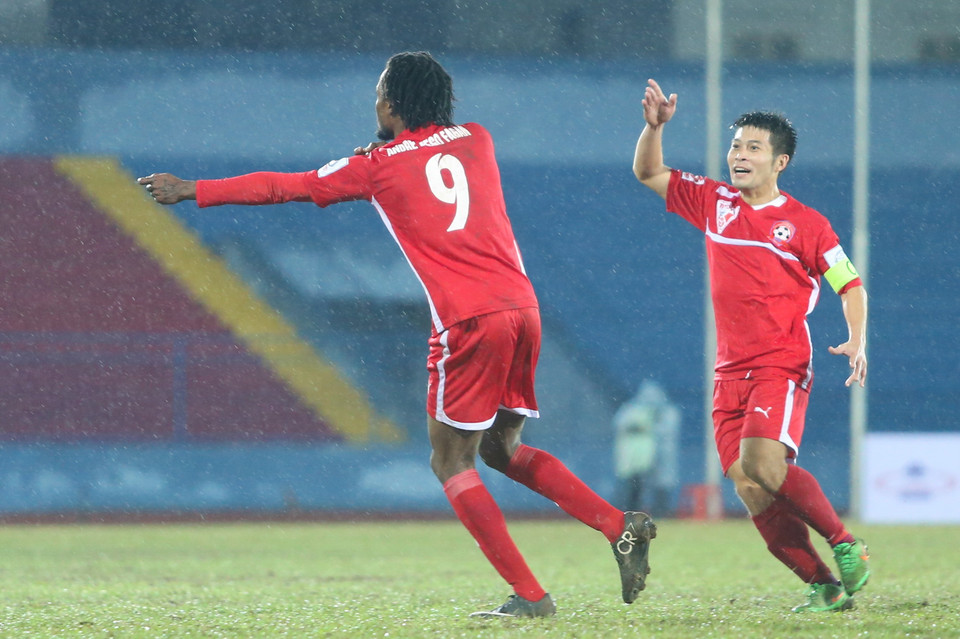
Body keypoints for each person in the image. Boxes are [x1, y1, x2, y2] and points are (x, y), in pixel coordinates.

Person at [137, 52, 656, 618]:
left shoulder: (376, 166)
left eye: (379, 93)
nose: (374, 101)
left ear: (389, 103)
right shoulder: (478, 138)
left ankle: (532, 597)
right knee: (500, 449)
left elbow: (287, 187)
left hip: (467, 319)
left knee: (450, 462)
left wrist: (194, 188)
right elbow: (436, 157)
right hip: (522, 309)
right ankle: (618, 525)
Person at [631, 78, 870, 613]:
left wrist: (856, 337)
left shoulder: (807, 224)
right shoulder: (714, 202)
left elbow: (850, 284)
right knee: (751, 486)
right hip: (727, 372)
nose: (739, 155)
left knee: (763, 464)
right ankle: (824, 586)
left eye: (753, 147)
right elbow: (648, 172)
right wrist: (654, 129)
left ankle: (846, 543)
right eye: (736, 145)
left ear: (779, 161)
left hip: (780, 363)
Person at [613, 380, 680, 515]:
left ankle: (661, 513)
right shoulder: (632, 410)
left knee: (661, 486)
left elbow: (666, 430)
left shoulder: (668, 412)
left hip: (660, 457)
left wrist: (646, 428)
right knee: (634, 486)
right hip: (638, 459)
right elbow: (619, 423)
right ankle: (632, 512)